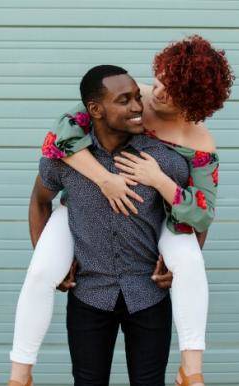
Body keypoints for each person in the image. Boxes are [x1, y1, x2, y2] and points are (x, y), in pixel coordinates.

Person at [8, 36, 232, 386]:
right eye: (159, 79)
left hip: (163, 222)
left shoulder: (197, 143)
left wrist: (159, 181)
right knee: (39, 272)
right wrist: (103, 179)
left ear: (191, 102)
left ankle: (192, 371)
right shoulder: (130, 93)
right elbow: (62, 134)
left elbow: (202, 214)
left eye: (172, 92)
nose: (155, 95)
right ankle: (19, 376)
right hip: (85, 224)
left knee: (189, 263)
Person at [29, 64, 188, 385]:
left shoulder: (163, 160)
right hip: (89, 296)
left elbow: (194, 211)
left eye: (136, 98)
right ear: (95, 110)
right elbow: (39, 201)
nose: (137, 107)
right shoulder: (65, 162)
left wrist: (183, 261)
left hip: (149, 296)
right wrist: (50, 262)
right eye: (124, 100)